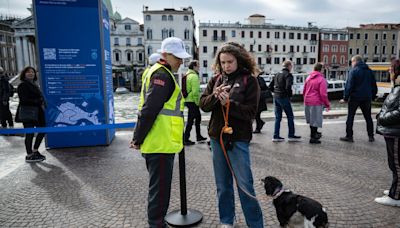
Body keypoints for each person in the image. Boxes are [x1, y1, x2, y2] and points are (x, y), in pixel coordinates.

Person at [200, 42, 264, 228]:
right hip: (216, 138)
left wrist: (229, 104)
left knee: (245, 185)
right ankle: (226, 221)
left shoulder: (249, 80)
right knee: (223, 185)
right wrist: (214, 97)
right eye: (223, 62)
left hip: (238, 139)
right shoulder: (216, 80)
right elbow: (203, 104)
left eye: (230, 62)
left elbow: (251, 112)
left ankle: (255, 224)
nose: (226, 66)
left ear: (239, 60)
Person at [130, 37, 191, 228]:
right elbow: (149, 110)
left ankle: (156, 223)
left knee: (159, 189)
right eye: (177, 57)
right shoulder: (163, 76)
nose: (181, 61)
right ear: (165, 55)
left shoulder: (155, 72)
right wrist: (137, 138)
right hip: (160, 142)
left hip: (159, 141)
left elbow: (147, 109)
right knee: (160, 191)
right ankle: (156, 225)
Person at [374, 59, 400, 207]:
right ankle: (395, 190)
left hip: (396, 132)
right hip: (393, 131)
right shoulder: (396, 87)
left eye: (391, 69)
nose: (389, 72)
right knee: (394, 164)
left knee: (397, 165)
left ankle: (395, 197)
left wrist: (383, 117)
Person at [340, 55, 377, 142]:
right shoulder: (369, 71)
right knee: (368, 117)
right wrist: (373, 96)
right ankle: (371, 136)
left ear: (355, 62)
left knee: (350, 116)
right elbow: (374, 85)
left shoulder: (353, 71)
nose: (351, 64)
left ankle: (349, 136)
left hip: (355, 97)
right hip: (367, 97)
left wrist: (345, 98)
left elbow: (349, 85)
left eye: (352, 62)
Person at [15, 66, 46, 162]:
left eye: (32, 72)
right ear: (24, 74)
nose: (31, 73)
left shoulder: (34, 84)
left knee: (43, 130)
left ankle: (35, 150)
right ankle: (29, 155)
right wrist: (38, 101)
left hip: (37, 112)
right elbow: (24, 100)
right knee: (29, 134)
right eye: (28, 72)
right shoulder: (23, 85)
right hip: (28, 113)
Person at [269, 60, 301, 142]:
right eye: (291, 66)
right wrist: (289, 96)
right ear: (289, 66)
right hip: (284, 97)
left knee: (278, 117)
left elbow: (270, 86)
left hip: (276, 97)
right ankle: (291, 135)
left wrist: (275, 92)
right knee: (290, 116)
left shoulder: (277, 74)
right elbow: (288, 87)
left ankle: (276, 136)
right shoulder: (288, 75)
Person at [303, 63, 330, 144]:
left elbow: (304, 90)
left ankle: (314, 134)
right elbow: (323, 94)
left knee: (312, 119)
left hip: (307, 100)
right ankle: (313, 137)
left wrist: (305, 99)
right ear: (321, 69)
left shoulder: (308, 77)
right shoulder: (321, 80)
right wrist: (327, 104)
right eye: (323, 69)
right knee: (315, 120)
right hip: (316, 101)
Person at [184, 60, 207, 145]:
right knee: (192, 120)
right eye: (198, 65)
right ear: (194, 67)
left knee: (197, 118)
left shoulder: (187, 75)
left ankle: (198, 136)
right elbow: (195, 92)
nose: (199, 67)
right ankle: (186, 139)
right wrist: (198, 103)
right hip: (192, 101)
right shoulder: (194, 76)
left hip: (188, 100)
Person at [253, 69, 269, 134]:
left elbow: (263, 87)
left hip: (260, 100)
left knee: (257, 114)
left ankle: (258, 127)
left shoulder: (259, 79)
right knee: (256, 115)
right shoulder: (255, 79)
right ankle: (259, 125)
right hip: (258, 99)